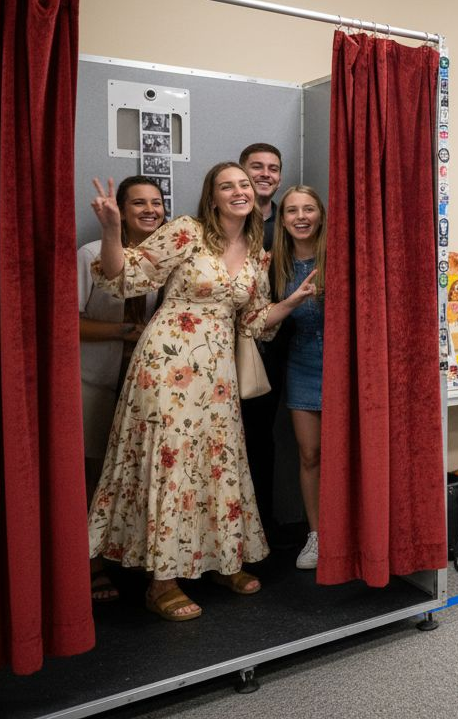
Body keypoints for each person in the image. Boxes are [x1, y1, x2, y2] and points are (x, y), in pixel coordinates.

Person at [87, 163, 318, 621]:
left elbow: (252, 322)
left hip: (217, 374)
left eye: (244, 185)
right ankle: (162, 581)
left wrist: (289, 304)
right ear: (212, 197)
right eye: (226, 185)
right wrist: (112, 230)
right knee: (170, 464)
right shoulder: (187, 232)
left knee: (218, 465)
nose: (239, 191)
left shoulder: (258, 252)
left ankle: (217, 560)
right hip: (166, 365)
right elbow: (124, 277)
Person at [78, 176, 165, 602]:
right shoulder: (91, 255)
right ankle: (90, 567)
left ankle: (124, 557)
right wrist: (124, 332)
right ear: (121, 210)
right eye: (139, 204)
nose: (150, 210)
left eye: (157, 202)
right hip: (95, 380)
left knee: (132, 475)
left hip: (143, 388)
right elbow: (67, 320)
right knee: (92, 476)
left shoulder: (161, 259)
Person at [271, 186, 326, 569]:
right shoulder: (273, 264)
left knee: (346, 455)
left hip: (343, 369)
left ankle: (349, 529)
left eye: (309, 209)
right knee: (310, 455)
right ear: (283, 219)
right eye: (292, 210)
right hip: (302, 365)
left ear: (321, 215)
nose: (301, 216)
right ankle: (316, 535)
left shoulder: (338, 258)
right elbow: (261, 319)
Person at [238, 143, 286, 538]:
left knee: (261, 440)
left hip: (277, 349)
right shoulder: (221, 224)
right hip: (230, 347)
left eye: (272, 168)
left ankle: (262, 530)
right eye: (256, 167)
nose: (264, 173)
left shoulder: (287, 223)